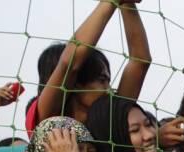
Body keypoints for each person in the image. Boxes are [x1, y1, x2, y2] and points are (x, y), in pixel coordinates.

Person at [30, 0, 150, 131]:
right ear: (75, 83)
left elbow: (140, 61)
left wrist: (126, 4)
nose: (109, 90)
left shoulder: (110, 121)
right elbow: (69, 63)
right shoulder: (48, 121)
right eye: (102, 80)